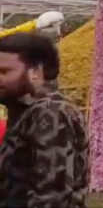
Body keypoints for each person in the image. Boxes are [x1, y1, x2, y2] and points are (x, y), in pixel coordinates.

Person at [0, 32, 88, 208]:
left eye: (4, 71)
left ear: (35, 72)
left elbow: (52, 197)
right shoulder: (24, 110)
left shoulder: (50, 112)